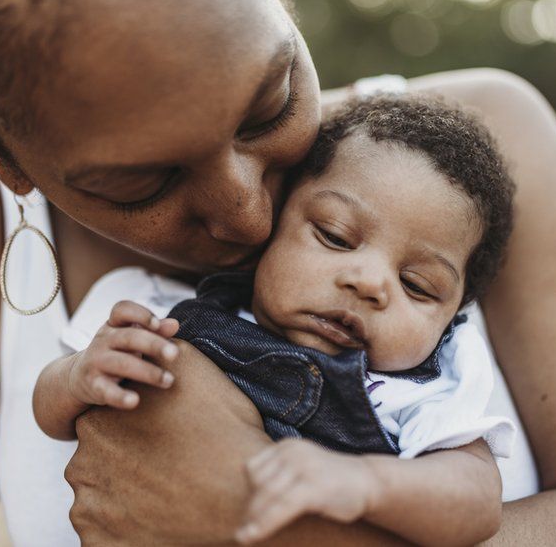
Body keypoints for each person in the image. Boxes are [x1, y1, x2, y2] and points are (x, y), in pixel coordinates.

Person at [0, 0, 556, 546]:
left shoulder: (474, 162)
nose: (250, 215)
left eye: (273, 102)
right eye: (145, 183)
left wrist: (262, 522)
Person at [31, 96, 517, 545]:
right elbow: (52, 412)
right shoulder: (166, 314)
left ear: (454, 316)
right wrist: (78, 377)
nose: (371, 283)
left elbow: (476, 499)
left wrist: (370, 484)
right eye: (335, 236)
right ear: (275, 223)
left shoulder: (415, 395)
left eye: (418, 285)